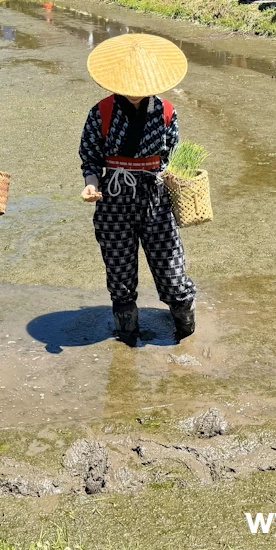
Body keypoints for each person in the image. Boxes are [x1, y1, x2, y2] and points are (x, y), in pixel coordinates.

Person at [79, 34, 197, 344]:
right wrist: (91, 186)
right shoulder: (100, 113)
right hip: (113, 200)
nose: (134, 91)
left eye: (140, 84)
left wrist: (174, 176)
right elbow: (90, 160)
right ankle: (126, 336)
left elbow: (172, 159)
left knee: (171, 270)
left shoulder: (167, 112)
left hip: (155, 200)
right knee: (119, 273)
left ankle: (187, 330)